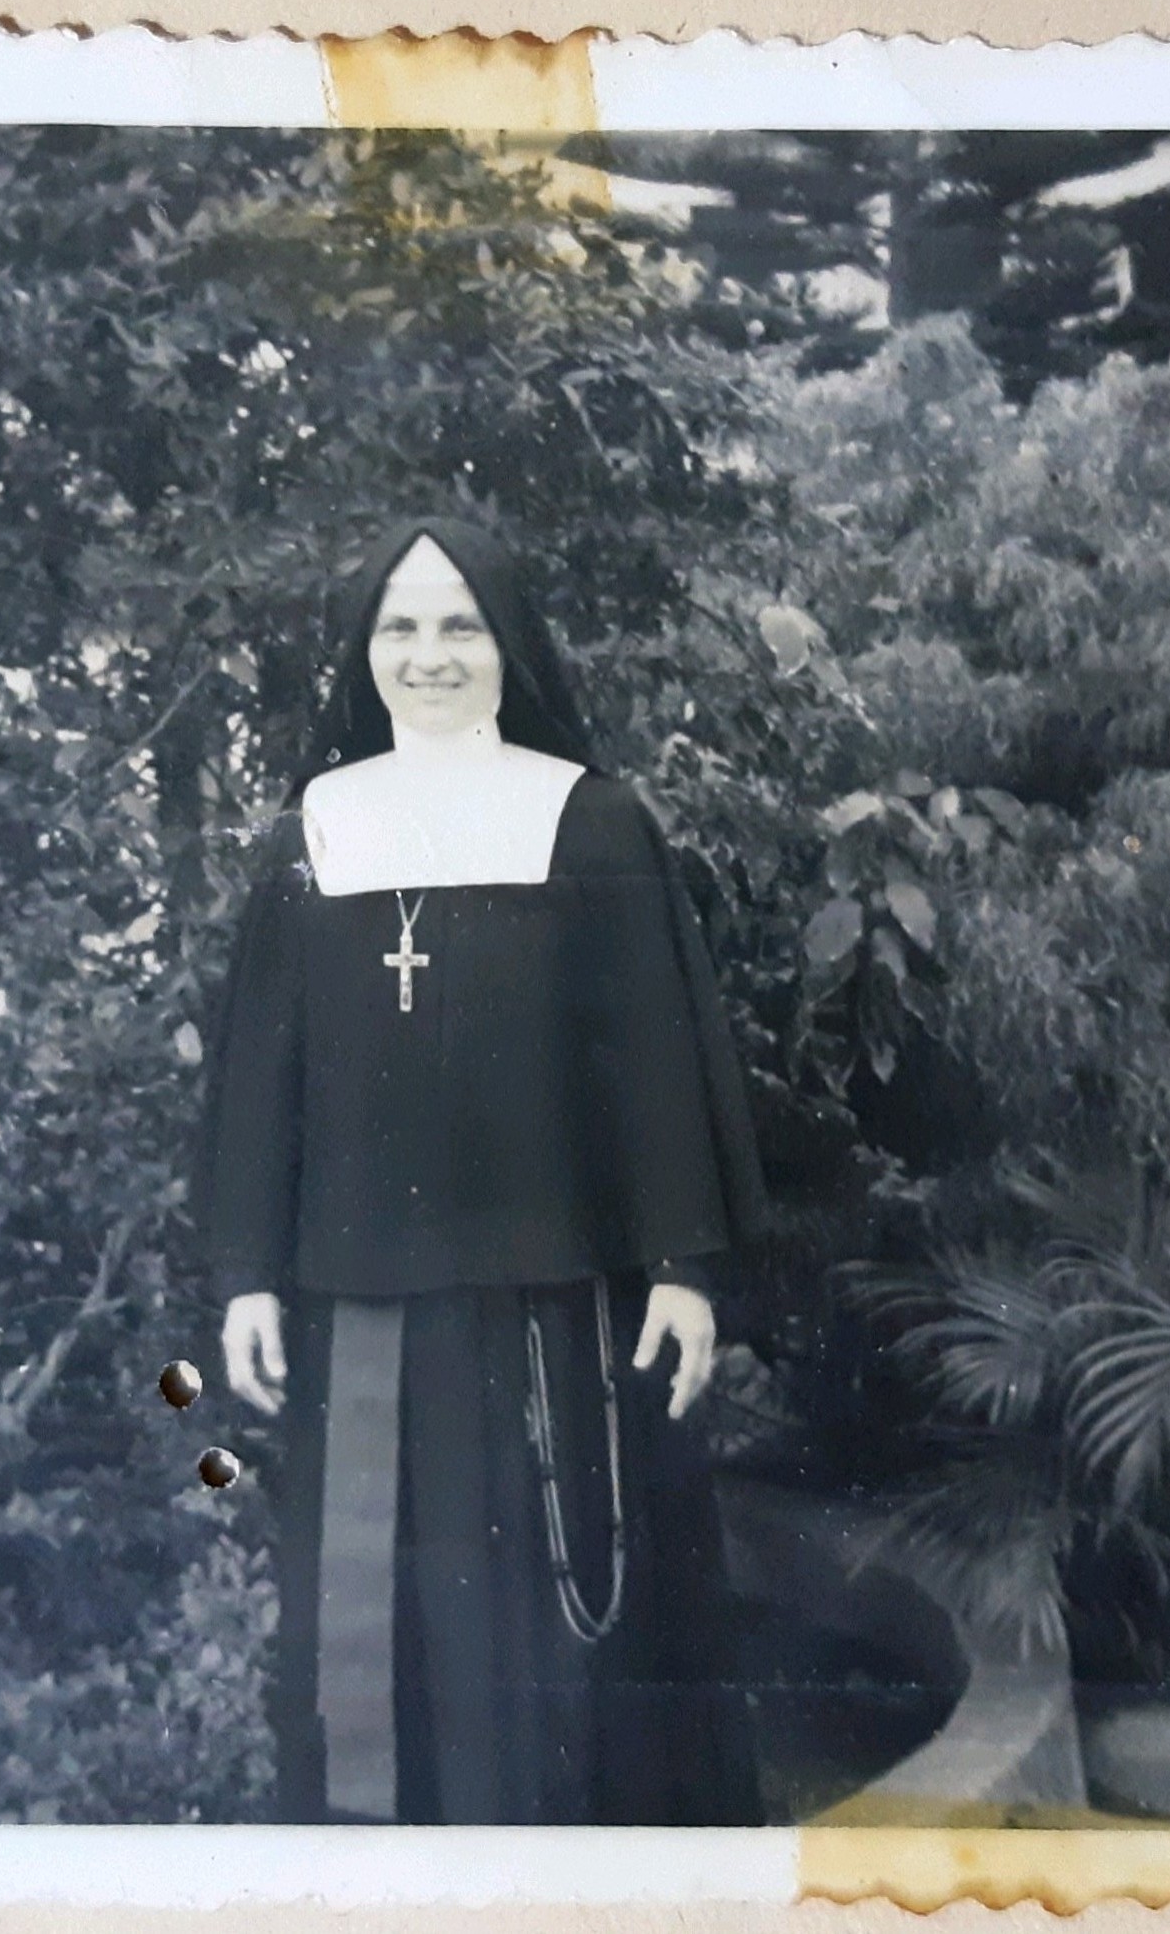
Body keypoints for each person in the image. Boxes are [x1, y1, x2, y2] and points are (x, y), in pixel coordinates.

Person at [195, 517, 769, 1825]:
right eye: (399, 626)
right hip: (359, 1308)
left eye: (461, 624)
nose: (430, 654)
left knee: (562, 1639)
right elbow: (262, 1072)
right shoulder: (314, 831)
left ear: (509, 643)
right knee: (372, 1643)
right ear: (364, 650)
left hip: (553, 1313)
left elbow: (655, 1058)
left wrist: (683, 1269)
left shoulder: (587, 820)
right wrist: (245, 1274)